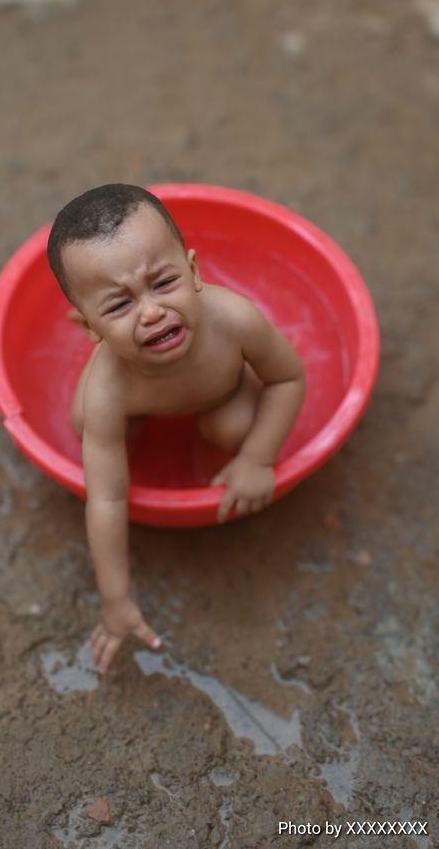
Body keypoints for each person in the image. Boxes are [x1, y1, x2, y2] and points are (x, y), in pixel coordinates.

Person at [47, 185, 306, 674]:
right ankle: (134, 422)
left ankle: (230, 440)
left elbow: (288, 377)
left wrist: (257, 458)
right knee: (87, 423)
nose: (150, 312)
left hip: (223, 393)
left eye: (164, 283)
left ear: (193, 271)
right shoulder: (109, 391)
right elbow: (105, 499)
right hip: (133, 395)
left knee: (231, 429)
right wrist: (115, 598)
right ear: (87, 328)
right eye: (118, 306)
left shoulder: (235, 320)